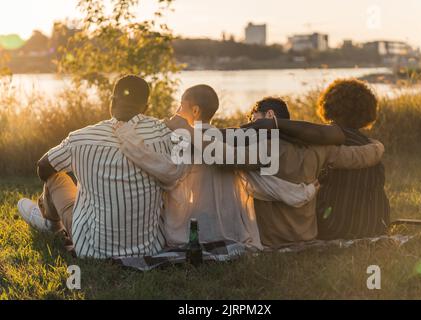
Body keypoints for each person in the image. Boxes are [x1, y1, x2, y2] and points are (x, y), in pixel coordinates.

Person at [114, 85, 321, 249]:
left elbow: (168, 173)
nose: (176, 111)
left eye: (180, 106)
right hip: (230, 231)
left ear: (194, 110)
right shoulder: (230, 143)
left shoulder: (184, 139)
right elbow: (265, 183)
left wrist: (130, 141)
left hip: (188, 232)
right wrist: (305, 191)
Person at [17, 75, 175, 259]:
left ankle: (51, 223)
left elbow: (43, 167)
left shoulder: (81, 138)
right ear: (146, 108)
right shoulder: (164, 134)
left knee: (56, 178)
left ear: (112, 101)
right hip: (150, 247)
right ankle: (53, 218)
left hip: (93, 247)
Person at [244, 97, 385, 248]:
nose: (252, 126)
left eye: (255, 120)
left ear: (270, 115)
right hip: (314, 233)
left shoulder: (260, 150)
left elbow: (224, 158)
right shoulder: (319, 146)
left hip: (279, 237)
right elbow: (359, 157)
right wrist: (378, 146)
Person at [315, 79, 390, 240]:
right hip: (373, 226)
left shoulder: (326, 142)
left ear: (328, 106)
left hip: (333, 228)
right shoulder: (368, 144)